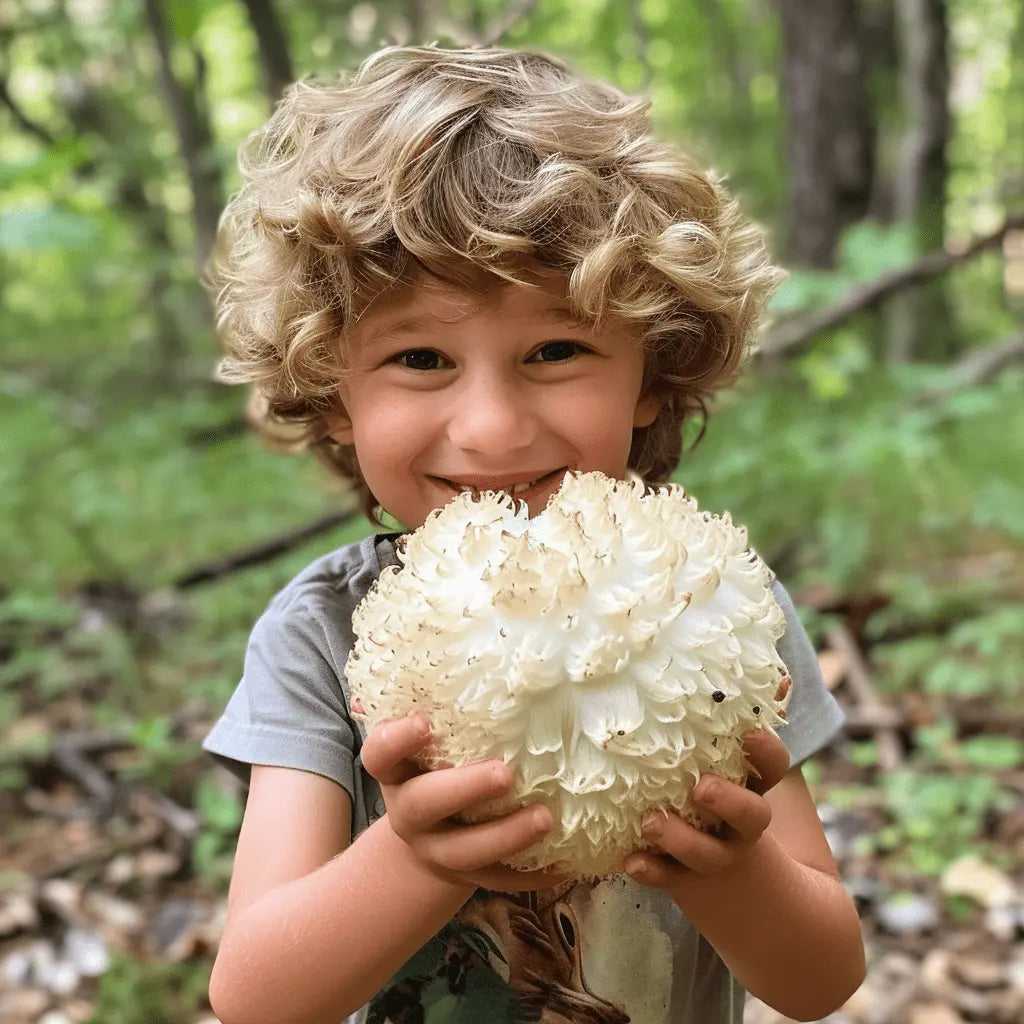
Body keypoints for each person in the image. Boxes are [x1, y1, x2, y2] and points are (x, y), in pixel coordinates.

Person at [201, 44, 866, 1024]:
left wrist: (733, 871)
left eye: (556, 348)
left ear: (652, 369)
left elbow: (820, 981)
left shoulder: (716, 610)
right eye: (420, 357)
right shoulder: (318, 635)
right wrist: (411, 855)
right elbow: (256, 997)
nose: (492, 426)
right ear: (332, 396)